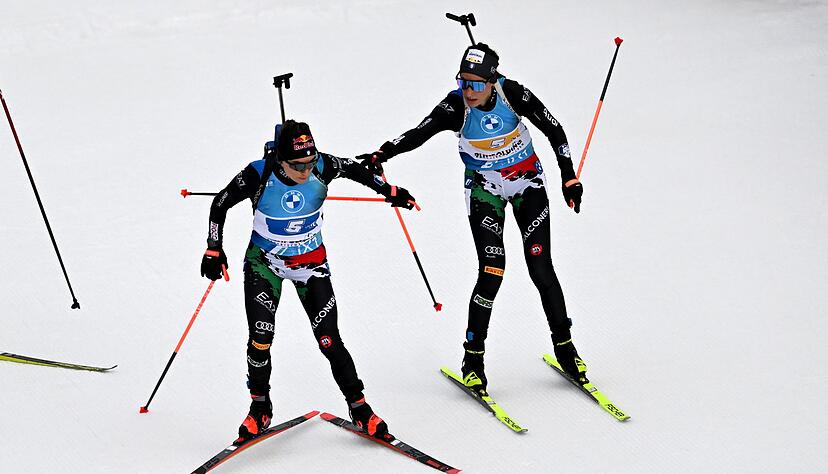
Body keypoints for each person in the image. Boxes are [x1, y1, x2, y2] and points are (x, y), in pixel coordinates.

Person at [359, 43, 588, 394]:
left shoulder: (513, 94)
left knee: (541, 267)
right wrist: (383, 153)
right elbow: (419, 133)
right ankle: (473, 359)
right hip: (484, 191)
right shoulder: (455, 106)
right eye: (463, 82)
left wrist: (568, 176)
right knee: (492, 270)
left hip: (527, 183)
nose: (469, 91)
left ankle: (566, 348)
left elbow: (554, 130)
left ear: (493, 81)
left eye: (476, 84)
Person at [201, 120, 415, 443]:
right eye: (297, 165)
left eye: (309, 162)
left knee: (329, 339)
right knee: (261, 338)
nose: (305, 170)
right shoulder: (258, 173)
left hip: (311, 266)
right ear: (280, 160)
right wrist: (213, 248)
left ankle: (360, 408)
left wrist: (389, 191)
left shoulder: (322, 165)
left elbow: (356, 170)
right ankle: (260, 408)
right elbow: (220, 204)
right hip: (265, 265)